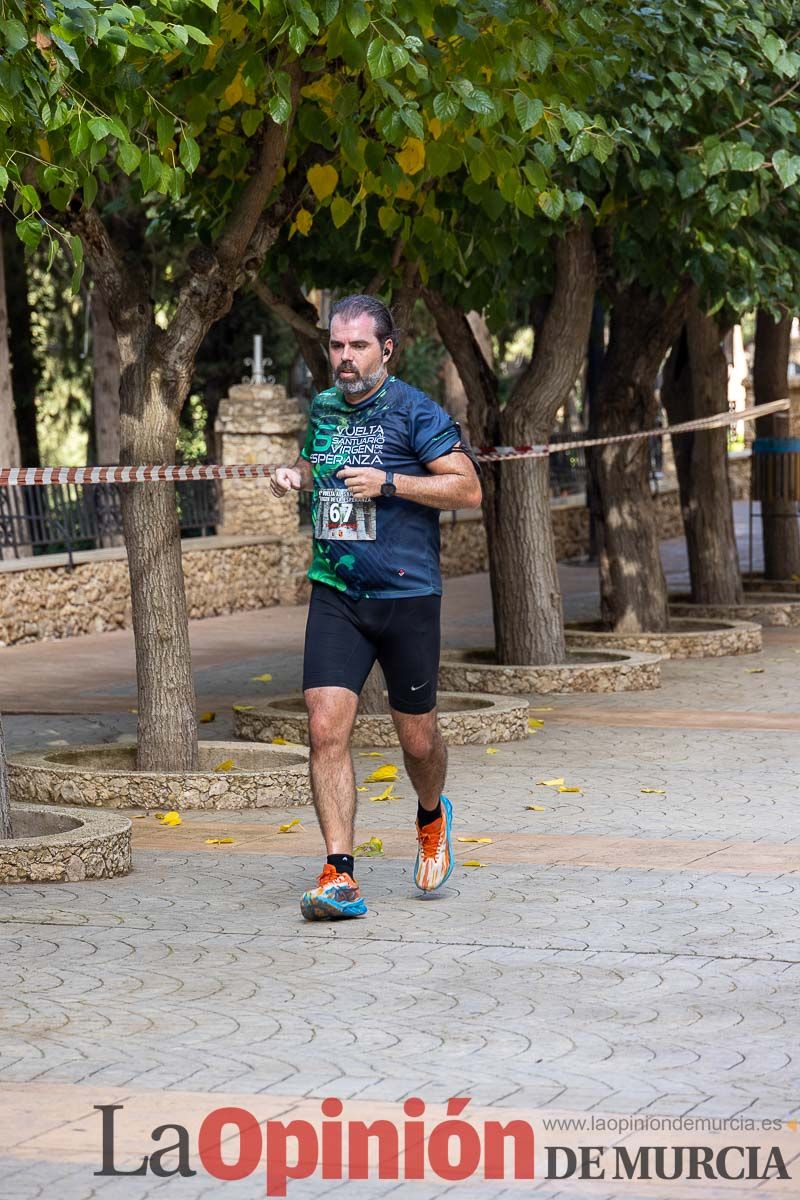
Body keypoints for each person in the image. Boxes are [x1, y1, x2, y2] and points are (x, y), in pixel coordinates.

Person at [271, 293, 482, 921]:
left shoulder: (415, 411)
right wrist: (299, 476)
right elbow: (322, 468)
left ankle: (430, 814)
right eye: (336, 345)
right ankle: (340, 873)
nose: (343, 357)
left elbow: (468, 486)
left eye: (357, 345)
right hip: (337, 592)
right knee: (324, 728)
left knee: (416, 743)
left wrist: (391, 482)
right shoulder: (324, 408)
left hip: (407, 596)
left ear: (384, 350)